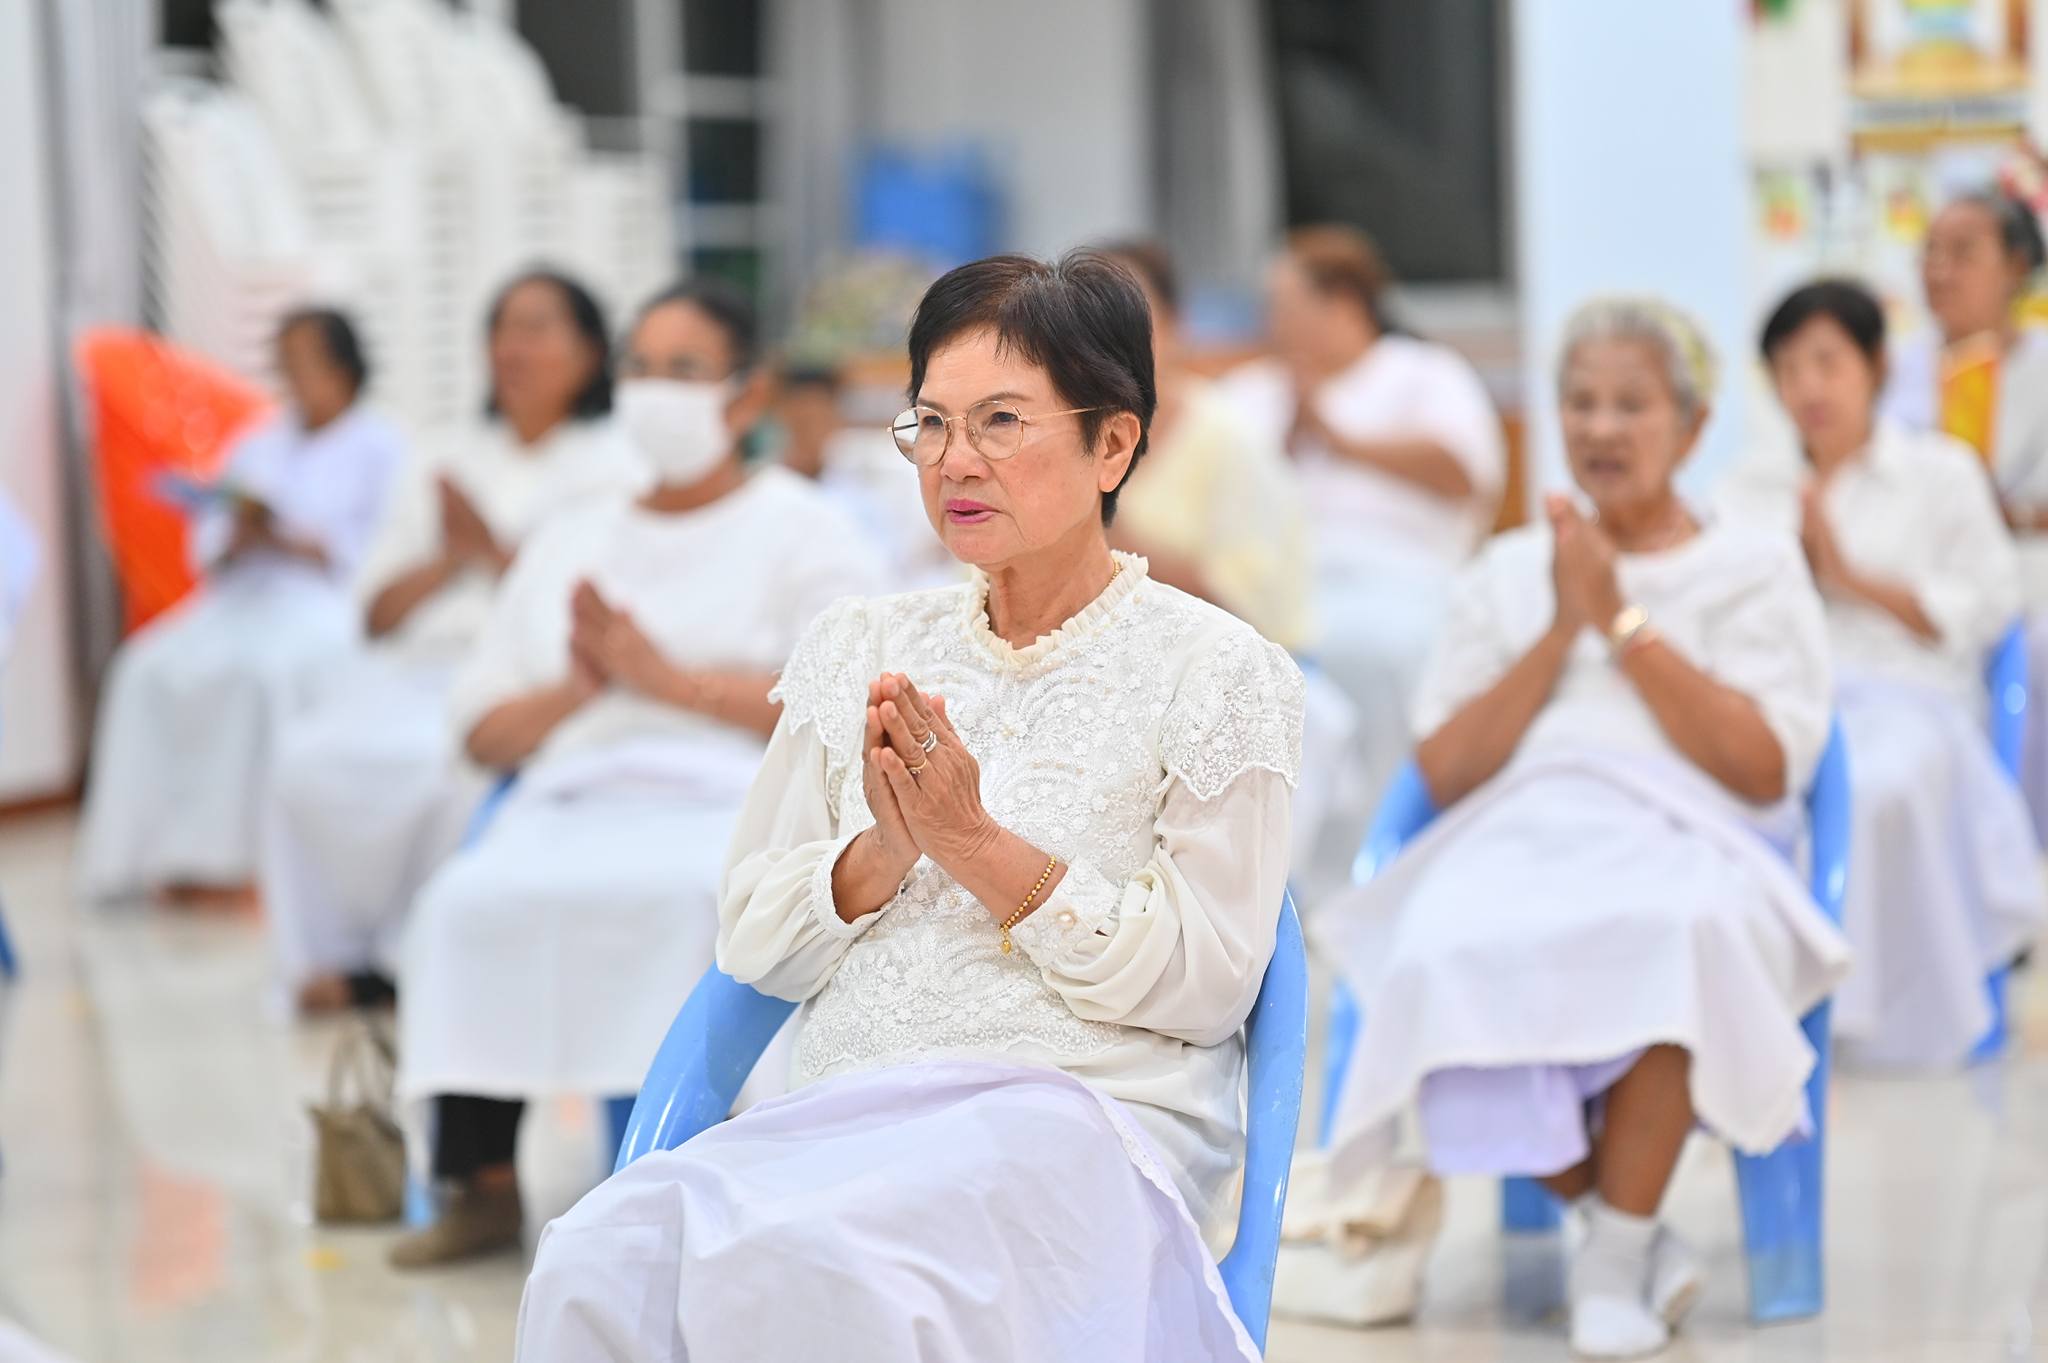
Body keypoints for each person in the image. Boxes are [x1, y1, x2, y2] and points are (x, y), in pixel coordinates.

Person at [514, 252, 1303, 1361]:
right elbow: (750, 941)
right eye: (930, 424)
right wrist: (877, 857)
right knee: (599, 1254)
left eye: (1000, 422)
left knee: (841, 1268)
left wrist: (977, 846)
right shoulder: (861, 646)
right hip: (845, 1119)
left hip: (1074, 1126)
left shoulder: (1214, 669)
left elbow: (1210, 980)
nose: (954, 461)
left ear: (1112, 444)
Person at [1318, 298, 1850, 1360]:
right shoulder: (1506, 571)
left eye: (1630, 404)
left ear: (1691, 428)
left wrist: (1619, 619)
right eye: (1579, 403)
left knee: (1677, 929)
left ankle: (1611, 1257)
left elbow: (1763, 764)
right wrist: (1563, 623)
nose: (1601, 427)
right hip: (1519, 834)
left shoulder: (1753, 567)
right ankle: (1618, 1228)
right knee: (1438, 945)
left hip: (1694, 836)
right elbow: (1443, 768)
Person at [388, 279, 885, 1268]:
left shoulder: (805, 529)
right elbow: (481, 726)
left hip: (727, 797)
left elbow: (846, 703)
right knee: (462, 903)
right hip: (573, 796)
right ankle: (480, 1183)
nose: (656, 391)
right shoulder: (573, 536)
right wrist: (582, 688)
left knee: (698, 905)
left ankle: (698, 1167)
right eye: (642, 368)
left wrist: (667, 681)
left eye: (684, 370)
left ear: (746, 396)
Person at [264, 271, 646, 1013]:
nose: (512, 348)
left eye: (536, 328)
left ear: (589, 351)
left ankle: (414, 966)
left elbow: (599, 620)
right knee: (304, 763)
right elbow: (375, 612)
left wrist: (490, 554)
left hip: (526, 682)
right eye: (501, 328)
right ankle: (331, 956)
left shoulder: (617, 464)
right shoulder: (443, 456)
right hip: (411, 670)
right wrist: (451, 556)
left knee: (451, 779)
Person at [1730, 279, 2040, 1068]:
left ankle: (1859, 1017)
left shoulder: (1941, 473)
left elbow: (1988, 607)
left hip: (1911, 698)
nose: (1808, 388)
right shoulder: (1750, 489)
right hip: (1787, 697)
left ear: (1875, 366)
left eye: (1826, 362)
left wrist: (1847, 577)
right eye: (1788, 369)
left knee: (1874, 786)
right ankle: (1746, 1019)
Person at [77, 309, 404, 903]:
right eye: (285, 362)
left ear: (342, 368)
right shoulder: (257, 443)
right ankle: (151, 858)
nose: (293, 376)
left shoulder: (384, 446)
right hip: (241, 598)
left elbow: (386, 552)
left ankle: (250, 865)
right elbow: (208, 537)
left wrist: (294, 541)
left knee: (263, 679)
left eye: (305, 361)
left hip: (322, 603)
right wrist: (235, 535)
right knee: (142, 669)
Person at [1219, 224, 1505, 871]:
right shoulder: (1253, 391)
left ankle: (1389, 857)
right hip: (1280, 583)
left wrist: (1339, 440)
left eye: (1286, 305)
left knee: (1382, 652)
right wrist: (1289, 442)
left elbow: (1461, 473)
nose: (1273, 322)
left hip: (1401, 576)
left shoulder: (1422, 374)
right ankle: (1275, 876)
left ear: (1342, 304)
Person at [1882, 190, 2048, 837]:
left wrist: (2005, 512)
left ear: (2016, 266)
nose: (1939, 272)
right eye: (1929, 254)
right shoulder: (1891, 372)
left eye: (1962, 253)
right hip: (1917, 573)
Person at [1096, 239, 1311, 652]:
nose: (1105, 347)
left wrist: (1101, 531)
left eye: (1128, 323)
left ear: (1176, 326)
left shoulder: (1231, 437)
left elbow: (1257, 615)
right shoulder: (1043, 435)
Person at [776, 362, 957, 587]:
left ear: (834, 413)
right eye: (799, 424)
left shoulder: (880, 466)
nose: (808, 434)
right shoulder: (773, 484)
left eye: (814, 420)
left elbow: (929, 538)